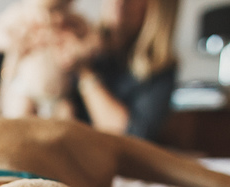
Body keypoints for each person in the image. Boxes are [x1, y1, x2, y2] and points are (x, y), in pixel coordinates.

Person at [74, 0, 179, 140]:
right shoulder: (80, 38)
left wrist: (85, 72)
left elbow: (131, 137)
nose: (119, 2)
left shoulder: (161, 69)